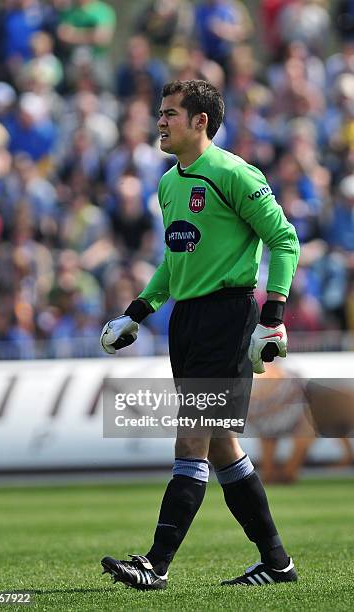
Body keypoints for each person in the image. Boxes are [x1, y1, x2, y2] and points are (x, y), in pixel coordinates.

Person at [100, 80, 300, 589]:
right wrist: (136, 312)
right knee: (222, 447)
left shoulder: (233, 173)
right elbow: (175, 259)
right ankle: (278, 564)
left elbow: (284, 238)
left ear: (200, 122)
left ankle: (156, 563)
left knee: (191, 437)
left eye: (169, 114)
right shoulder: (169, 184)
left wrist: (272, 314)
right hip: (185, 320)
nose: (160, 121)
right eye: (160, 113)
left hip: (227, 317)